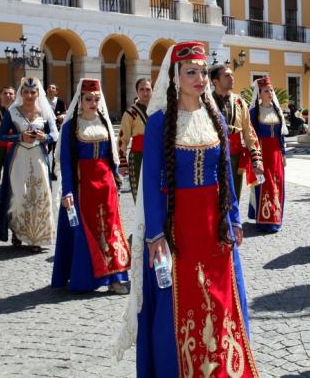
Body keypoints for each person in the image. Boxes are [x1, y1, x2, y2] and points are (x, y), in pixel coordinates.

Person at [118, 41, 258, 376]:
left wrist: (234, 218)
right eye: (190, 72)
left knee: (221, 295)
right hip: (176, 228)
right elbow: (151, 182)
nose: (199, 78)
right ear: (175, 77)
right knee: (180, 302)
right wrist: (154, 234)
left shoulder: (216, 120)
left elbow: (224, 173)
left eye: (201, 72)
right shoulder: (159, 124)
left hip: (214, 226)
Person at [52, 78, 130, 294]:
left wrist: (115, 178)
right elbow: (66, 162)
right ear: (80, 100)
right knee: (84, 232)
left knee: (111, 230)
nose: (93, 102)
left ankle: (115, 278)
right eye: (88, 99)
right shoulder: (71, 127)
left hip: (105, 186)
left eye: (96, 98)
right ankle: (85, 280)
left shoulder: (104, 123)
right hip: (82, 186)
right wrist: (66, 190)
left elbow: (109, 156)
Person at [0, 78, 58, 252]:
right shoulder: (13, 112)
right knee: (18, 196)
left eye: (33, 92)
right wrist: (19, 137)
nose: (29, 95)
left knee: (40, 196)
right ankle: (17, 231)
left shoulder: (44, 113)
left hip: (39, 159)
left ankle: (36, 237)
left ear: (38, 93)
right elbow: (0, 136)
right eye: (25, 92)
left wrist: (45, 137)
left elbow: (55, 135)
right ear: (21, 93)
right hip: (18, 159)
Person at [210, 64, 263, 203]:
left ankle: (233, 224)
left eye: (232, 75)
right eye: (227, 75)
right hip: (212, 156)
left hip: (235, 156)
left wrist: (257, 158)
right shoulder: (205, 102)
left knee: (233, 197)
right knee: (213, 196)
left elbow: (248, 131)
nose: (232, 78)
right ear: (215, 81)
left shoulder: (239, 102)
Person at [248, 76, 287, 232]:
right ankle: (264, 220)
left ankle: (276, 218)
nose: (270, 93)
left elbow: (281, 135)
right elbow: (251, 135)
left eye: (271, 90)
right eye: (266, 91)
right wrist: (254, 157)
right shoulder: (254, 112)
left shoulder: (277, 110)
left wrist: (283, 154)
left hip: (276, 152)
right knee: (266, 183)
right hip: (262, 151)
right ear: (259, 93)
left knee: (278, 183)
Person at [117, 78, 152, 203]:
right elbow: (123, 138)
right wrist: (122, 162)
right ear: (137, 92)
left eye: (148, 89)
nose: (145, 92)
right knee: (140, 195)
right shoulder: (130, 113)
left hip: (157, 156)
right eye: (141, 89)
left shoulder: (158, 110)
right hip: (138, 157)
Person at [46, 83, 67, 180]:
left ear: (56, 91)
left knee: (55, 152)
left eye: (53, 88)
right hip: (45, 131)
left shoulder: (60, 102)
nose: (50, 89)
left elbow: (64, 112)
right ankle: (44, 171)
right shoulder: (43, 101)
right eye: (49, 88)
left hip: (57, 131)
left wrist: (62, 116)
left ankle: (54, 172)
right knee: (45, 151)